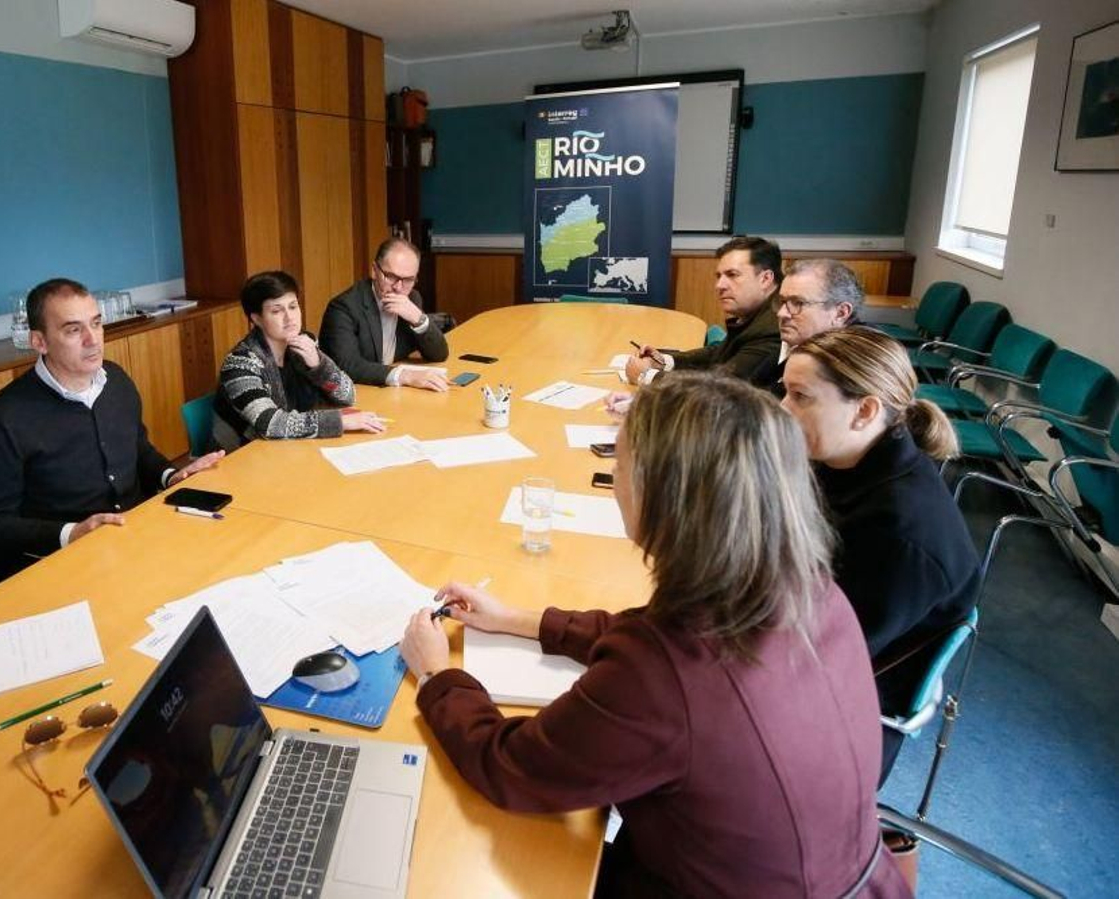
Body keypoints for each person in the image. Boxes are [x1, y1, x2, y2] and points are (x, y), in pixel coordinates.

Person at [400, 372, 908, 897]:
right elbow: (641, 632)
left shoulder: (659, 673)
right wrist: (517, 620)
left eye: (618, 462)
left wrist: (439, 675)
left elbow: (510, 767)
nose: (612, 474)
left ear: (661, 492)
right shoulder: (813, 589)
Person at [782, 327, 980, 783]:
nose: (783, 409)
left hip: (834, 724)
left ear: (865, 410)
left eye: (800, 397)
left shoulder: (901, 533)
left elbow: (812, 656)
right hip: (804, 656)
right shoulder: (843, 464)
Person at [0, 278, 223, 597]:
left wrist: (172, 476)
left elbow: (138, 449)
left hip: (130, 542)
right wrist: (72, 533)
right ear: (39, 341)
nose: (93, 340)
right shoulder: (6, 416)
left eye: (97, 323)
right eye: (73, 330)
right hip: (58, 566)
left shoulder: (115, 380)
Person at [213, 270, 386, 448]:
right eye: (276, 311)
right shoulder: (240, 364)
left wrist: (319, 365)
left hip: (291, 447)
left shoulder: (304, 342)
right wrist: (339, 422)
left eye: (293, 306)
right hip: (242, 456)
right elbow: (269, 423)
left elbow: (347, 395)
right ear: (257, 319)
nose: (289, 318)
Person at [624, 235, 783, 388]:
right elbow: (718, 355)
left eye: (732, 275)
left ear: (765, 279)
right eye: (719, 276)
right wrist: (664, 361)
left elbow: (719, 392)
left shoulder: (774, 329)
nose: (720, 285)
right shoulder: (758, 315)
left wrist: (646, 376)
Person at [319, 237, 450, 391]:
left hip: (390, 392)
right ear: (374, 271)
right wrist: (404, 375)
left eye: (408, 280)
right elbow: (348, 366)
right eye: (391, 277)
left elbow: (439, 355)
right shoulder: (344, 307)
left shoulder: (412, 299)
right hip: (353, 395)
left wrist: (419, 320)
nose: (398, 287)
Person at [763, 258, 866, 395]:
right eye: (782, 301)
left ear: (840, 313)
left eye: (798, 303)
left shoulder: (852, 363)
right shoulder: (799, 341)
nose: (782, 313)